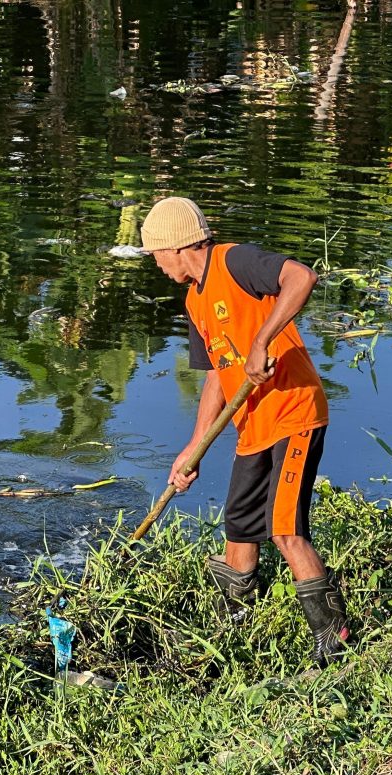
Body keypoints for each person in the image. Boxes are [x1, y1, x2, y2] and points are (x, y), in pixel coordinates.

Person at [140, 196, 349, 666]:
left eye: (155, 254)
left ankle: (333, 641)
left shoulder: (234, 261)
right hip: (253, 426)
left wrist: (261, 341)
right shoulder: (194, 299)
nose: (155, 264)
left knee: (284, 530)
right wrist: (193, 448)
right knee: (239, 529)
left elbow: (302, 277)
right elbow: (217, 374)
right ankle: (231, 632)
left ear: (176, 248)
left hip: (294, 414)